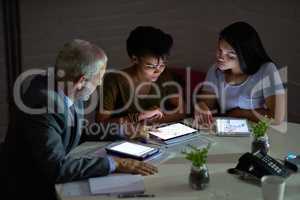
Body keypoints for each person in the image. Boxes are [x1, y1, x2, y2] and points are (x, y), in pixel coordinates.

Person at [2, 39, 157, 200]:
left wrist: (122, 130)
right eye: (99, 78)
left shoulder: (64, 84)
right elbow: (57, 169)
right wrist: (116, 163)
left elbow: (77, 129)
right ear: (82, 81)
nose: (100, 84)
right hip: (31, 188)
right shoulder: (44, 106)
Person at [194, 22, 285, 126]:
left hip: (258, 132)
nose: (220, 57)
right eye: (220, 50)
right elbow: (206, 104)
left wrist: (241, 113)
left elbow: (276, 118)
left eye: (231, 55)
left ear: (246, 56)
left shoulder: (266, 70)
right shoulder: (215, 70)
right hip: (228, 130)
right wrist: (201, 106)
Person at [97, 26, 186, 127]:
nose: (158, 71)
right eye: (150, 66)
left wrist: (149, 121)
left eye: (162, 64)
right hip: (122, 138)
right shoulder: (114, 81)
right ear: (135, 59)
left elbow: (181, 111)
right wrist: (140, 116)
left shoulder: (164, 75)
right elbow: (101, 124)